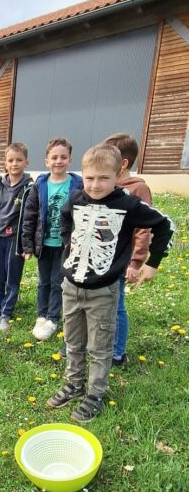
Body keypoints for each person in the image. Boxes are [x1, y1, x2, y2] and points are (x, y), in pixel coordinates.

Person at [47, 144, 174, 423]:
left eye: (104, 178)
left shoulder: (128, 204)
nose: (95, 184)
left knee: (100, 346)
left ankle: (95, 393)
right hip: (71, 286)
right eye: (90, 177)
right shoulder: (76, 198)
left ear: (118, 174)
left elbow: (165, 225)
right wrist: (69, 245)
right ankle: (74, 383)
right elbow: (65, 218)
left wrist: (152, 263)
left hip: (103, 291)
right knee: (72, 341)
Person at [22, 138, 83, 341]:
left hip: (65, 246)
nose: (59, 161)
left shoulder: (78, 184)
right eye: (54, 157)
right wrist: (27, 245)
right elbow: (29, 216)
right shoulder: (39, 185)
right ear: (46, 161)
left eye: (63, 157)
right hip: (44, 244)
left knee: (58, 282)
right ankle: (41, 315)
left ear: (70, 160)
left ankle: (53, 318)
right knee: (44, 281)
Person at [103, 133, 153, 366]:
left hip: (122, 259)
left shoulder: (138, 189)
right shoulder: (107, 186)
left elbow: (144, 228)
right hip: (103, 257)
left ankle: (117, 352)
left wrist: (136, 262)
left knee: (117, 305)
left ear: (122, 163)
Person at [0, 142, 33, 330]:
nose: (14, 164)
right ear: (5, 163)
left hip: (15, 241)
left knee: (12, 278)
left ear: (26, 162)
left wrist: (27, 244)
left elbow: (31, 217)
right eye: (10, 160)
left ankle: (6, 313)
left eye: (19, 160)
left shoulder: (29, 188)